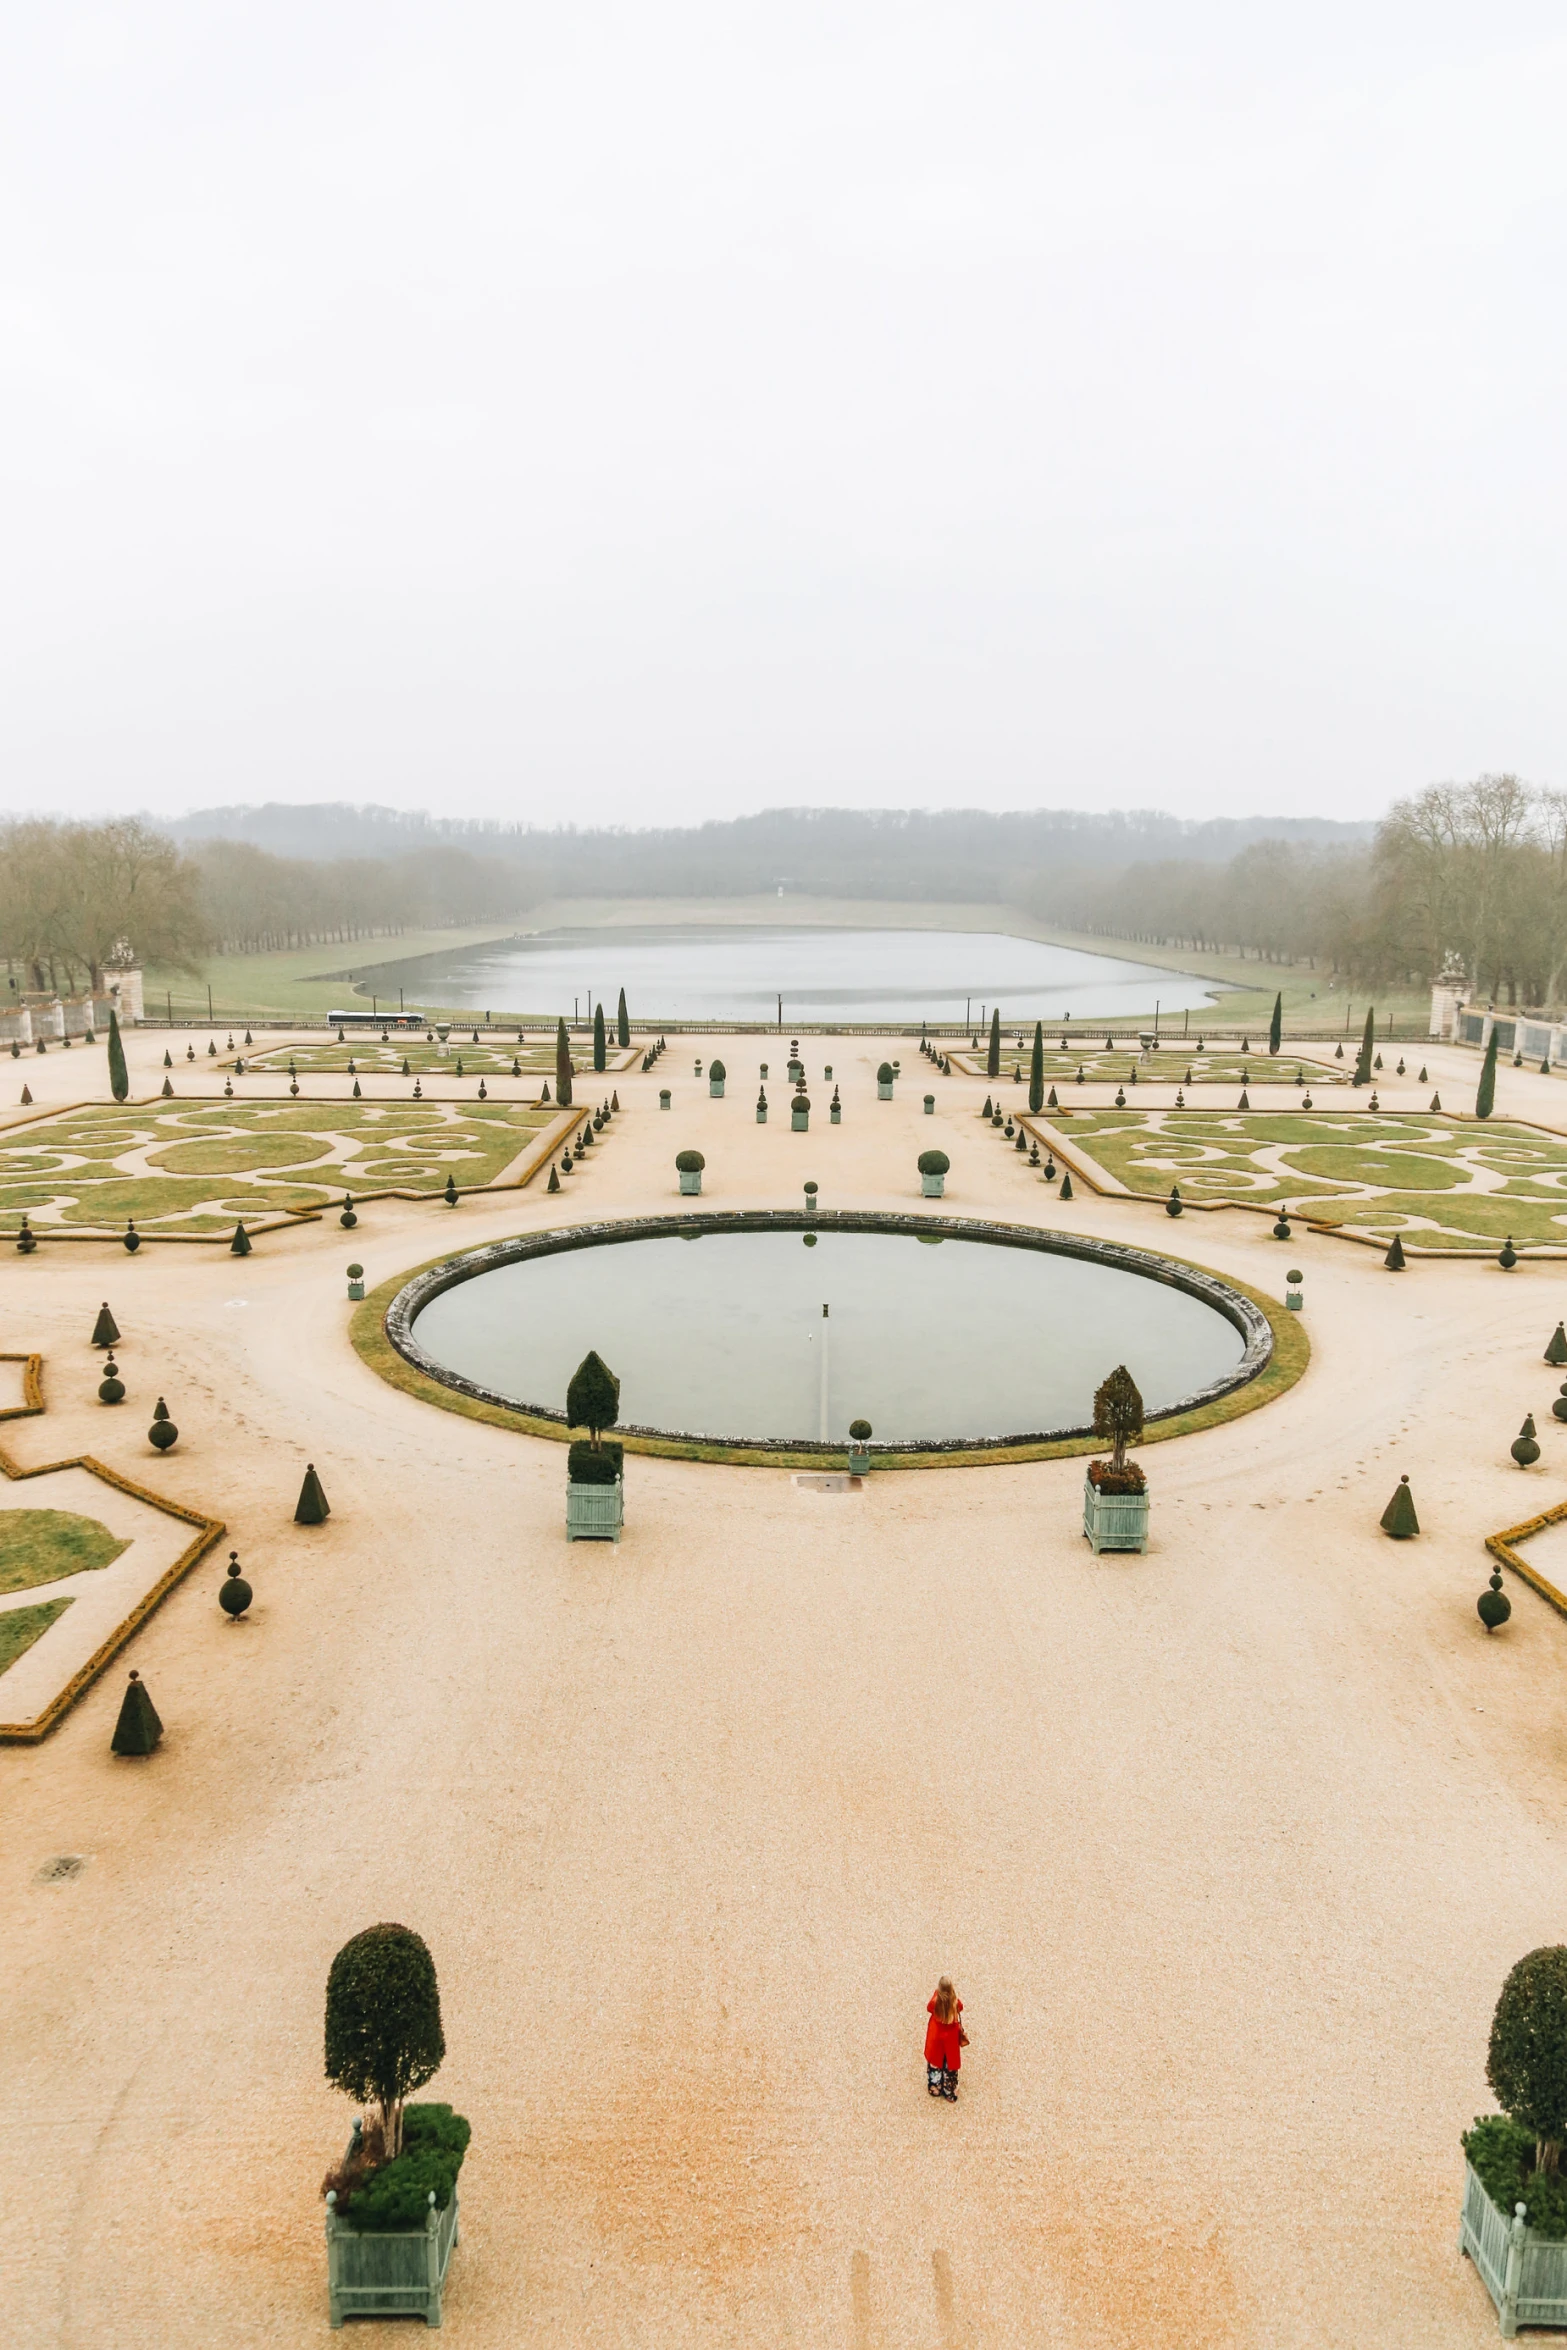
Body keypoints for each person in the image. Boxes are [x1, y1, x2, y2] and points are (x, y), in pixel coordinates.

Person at [925, 1977, 966, 2101]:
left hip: (936, 2034)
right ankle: (949, 2091)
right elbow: (961, 2007)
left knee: (935, 2061)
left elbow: (929, 2008)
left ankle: (935, 2087)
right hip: (951, 2036)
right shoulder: (955, 2002)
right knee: (950, 2063)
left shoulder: (935, 2001)